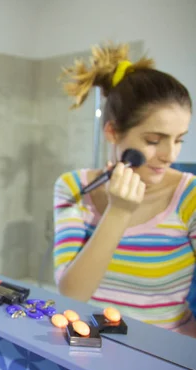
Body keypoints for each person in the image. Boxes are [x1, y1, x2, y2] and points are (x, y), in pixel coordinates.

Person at [54, 43, 196, 338]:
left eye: (179, 139)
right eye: (155, 140)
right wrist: (118, 211)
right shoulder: (73, 187)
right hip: (94, 349)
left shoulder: (190, 195)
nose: (171, 155)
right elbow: (72, 293)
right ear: (113, 132)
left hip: (168, 358)